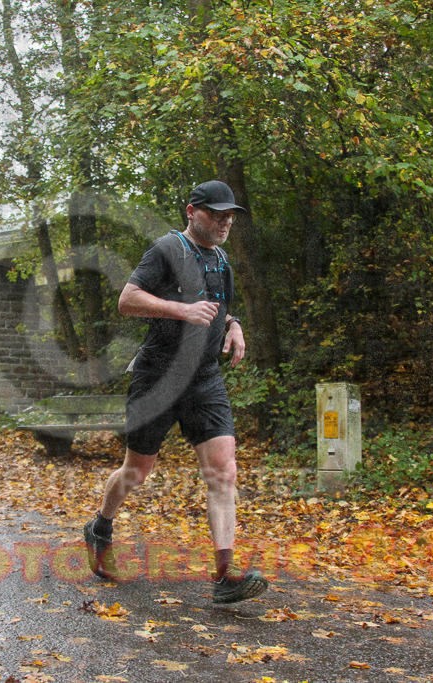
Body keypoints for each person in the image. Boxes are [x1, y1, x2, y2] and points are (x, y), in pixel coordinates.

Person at [83, 180, 268, 604]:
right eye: (216, 213)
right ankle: (100, 527)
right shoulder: (165, 250)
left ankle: (225, 575)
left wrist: (233, 325)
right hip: (158, 377)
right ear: (191, 211)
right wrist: (180, 309)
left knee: (224, 470)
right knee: (137, 472)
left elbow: (220, 308)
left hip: (204, 378)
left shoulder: (222, 260)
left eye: (229, 215)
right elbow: (127, 300)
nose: (225, 221)